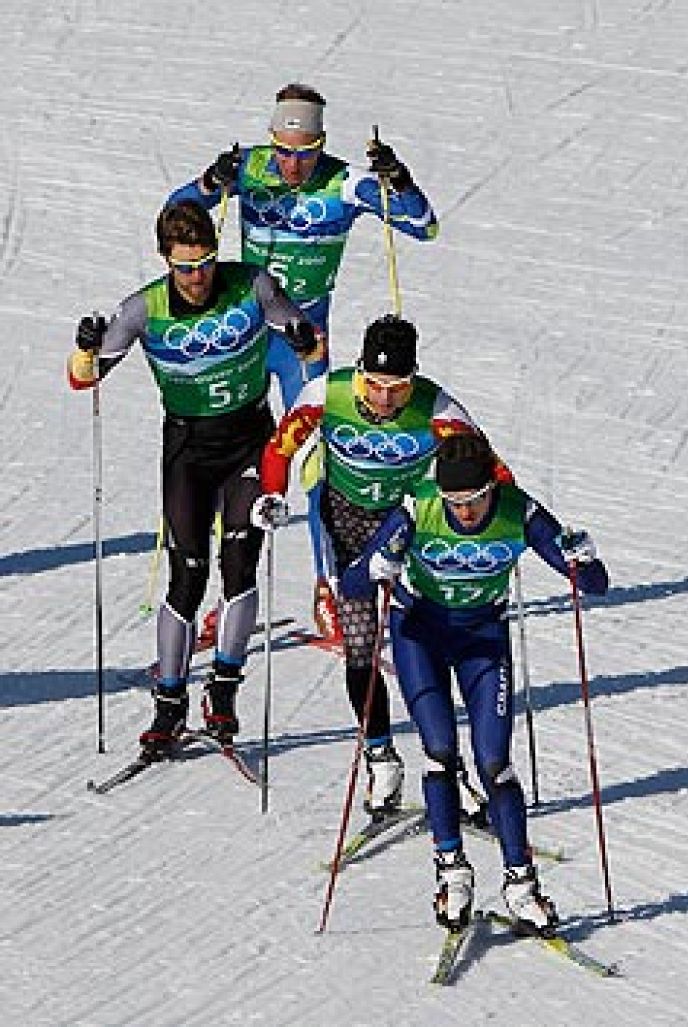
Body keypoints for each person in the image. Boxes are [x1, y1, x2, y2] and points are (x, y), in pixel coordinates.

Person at [168, 82, 441, 638]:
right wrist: (209, 183)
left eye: (305, 153)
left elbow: (424, 225)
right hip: (243, 340)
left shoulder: (343, 183)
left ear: (321, 145)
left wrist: (400, 181)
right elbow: (178, 215)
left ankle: (330, 589)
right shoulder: (248, 168)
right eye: (285, 152)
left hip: (304, 343)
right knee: (230, 462)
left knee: (316, 462)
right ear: (272, 141)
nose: (293, 164)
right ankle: (228, 595)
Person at [68, 201, 321, 755]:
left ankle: (224, 693)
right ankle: (169, 704)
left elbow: (307, 335)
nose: (198, 276)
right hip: (188, 449)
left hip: (253, 442)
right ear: (166, 261)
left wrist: (305, 339)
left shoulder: (250, 284)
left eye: (205, 262)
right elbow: (81, 379)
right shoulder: (144, 309)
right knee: (187, 577)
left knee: (240, 567)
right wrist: (86, 347)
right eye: (185, 267)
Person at [340, 434, 608, 934]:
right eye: (454, 502)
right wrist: (377, 568)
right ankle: (452, 872)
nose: (464, 512)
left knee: (495, 763)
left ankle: (522, 885)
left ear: (493, 486)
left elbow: (594, 586)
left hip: (482, 640)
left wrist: (584, 560)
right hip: (419, 635)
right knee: (439, 751)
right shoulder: (417, 508)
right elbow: (351, 585)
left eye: (474, 499)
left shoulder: (519, 512)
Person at [251, 314, 501, 815]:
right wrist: (271, 494)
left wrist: (511, 525)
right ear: (360, 370)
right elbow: (280, 447)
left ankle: (451, 770)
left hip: (408, 529)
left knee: (427, 647)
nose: (385, 399)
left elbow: (490, 472)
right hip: (346, 530)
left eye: (398, 388)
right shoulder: (329, 393)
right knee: (360, 649)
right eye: (376, 384)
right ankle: (380, 754)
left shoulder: (439, 409)